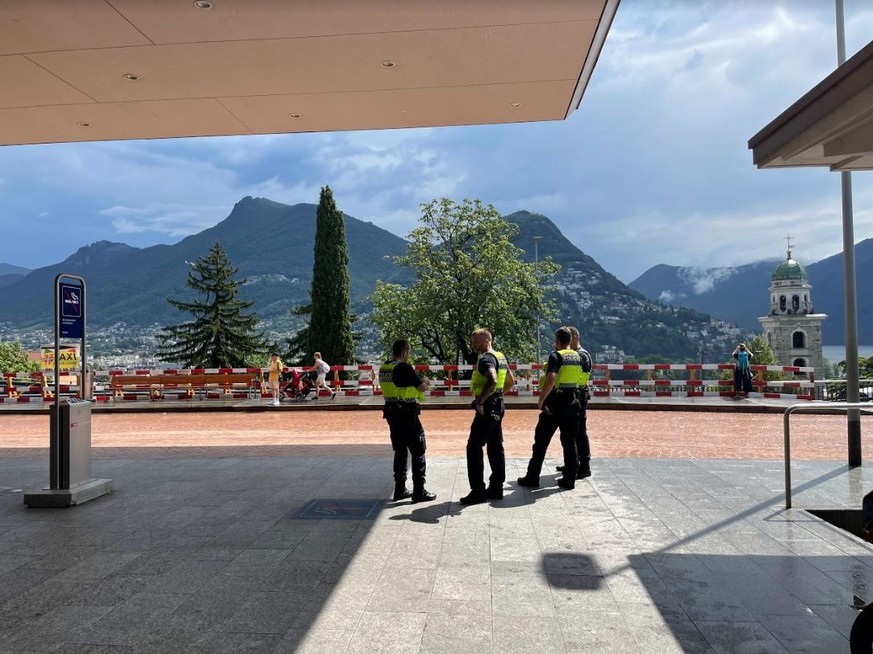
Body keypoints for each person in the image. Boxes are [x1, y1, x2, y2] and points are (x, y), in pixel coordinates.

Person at [518, 327, 583, 490]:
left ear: (558, 341)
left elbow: (551, 378)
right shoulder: (577, 357)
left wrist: (541, 399)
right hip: (573, 401)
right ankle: (569, 480)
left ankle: (532, 477)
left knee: (541, 442)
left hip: (556, 403)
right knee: (570, 443)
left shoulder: (556, 356)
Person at [460, 329, 515, 505]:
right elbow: (510, 381)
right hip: (498, 406)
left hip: (487, 408)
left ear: (486, 341)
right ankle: (496, 487)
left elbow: (491, 380)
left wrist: (480, 401)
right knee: (495, 446)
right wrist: (498, 396)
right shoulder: (500, 356)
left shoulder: (485, 359)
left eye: (475, 342)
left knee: (474, 446)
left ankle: (478, 490)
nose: (473, 345)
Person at [379, 339, 436, 503]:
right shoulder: (403, 367)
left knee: (401, 451)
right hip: (407, 414)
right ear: (404, 352)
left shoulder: (385, 368)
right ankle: (419, 490)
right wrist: (425, 381)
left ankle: (399, 489)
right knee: (418, 451)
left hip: (391, 413)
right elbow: (421, 387)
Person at [555, 326, 593, 480]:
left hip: (578, 397)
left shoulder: (581, 356)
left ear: (575, 337)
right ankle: (572, 463)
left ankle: (584, 466)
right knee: (571, 433)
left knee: (579, 433)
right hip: (575, 397)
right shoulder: (577, 354)